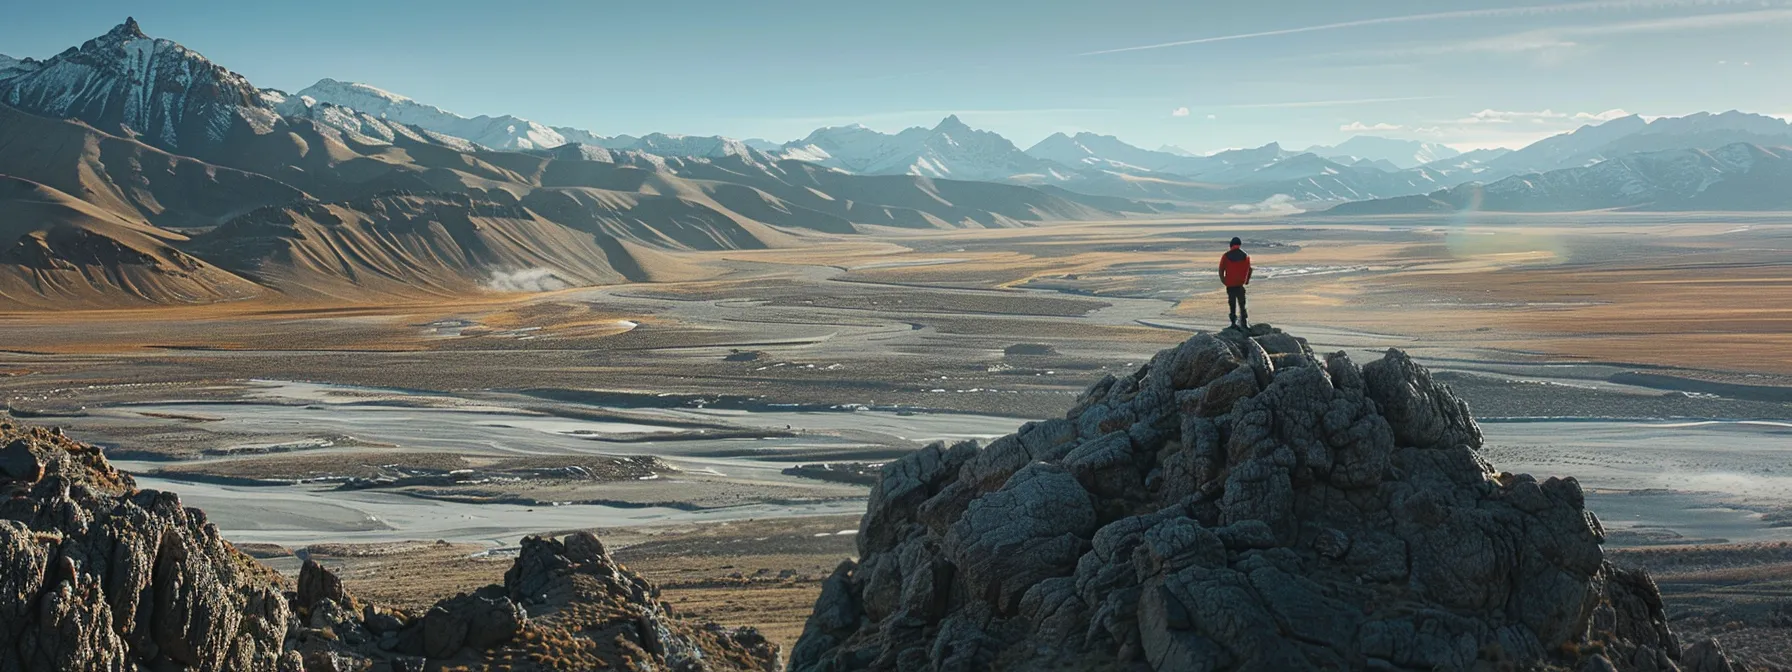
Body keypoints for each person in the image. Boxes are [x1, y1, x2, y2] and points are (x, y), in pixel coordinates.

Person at [1218, 237, 1252, 328]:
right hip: (1240, 284)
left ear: (1231, 245)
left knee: (1232, 304)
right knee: (1242, 304)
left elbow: (1221, 270)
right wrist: (1246, 281)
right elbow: (1250, 269)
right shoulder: (1245, 256)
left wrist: (1224, 281)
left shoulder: (1226, 256)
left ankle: (1233, 323)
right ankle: (1244, 322)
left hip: (1230, 284)